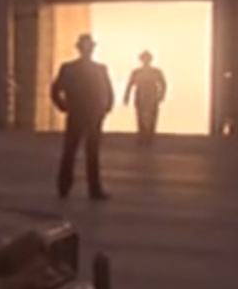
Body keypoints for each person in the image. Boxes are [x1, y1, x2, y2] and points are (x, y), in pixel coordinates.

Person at [51, 34, 114, 201]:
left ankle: (64, 187)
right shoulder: (98, 69)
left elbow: (55, 90)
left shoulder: (69, 68)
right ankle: (93, 190)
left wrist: (63, 106)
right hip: (89, 115)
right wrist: (105, 109)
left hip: (80, 114)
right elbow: (108, 91)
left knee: (71, 151)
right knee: (89, 153)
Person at [124, 50, 167, 146]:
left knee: (152, 118)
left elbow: (163, 84)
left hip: (152, 96)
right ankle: (142, 137)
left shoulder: (156, 72)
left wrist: (161, 95)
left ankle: (150, 139)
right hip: (141, 96)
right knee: (140, 118)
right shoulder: (136, 72)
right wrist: (126, 96)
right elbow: (130, 84)